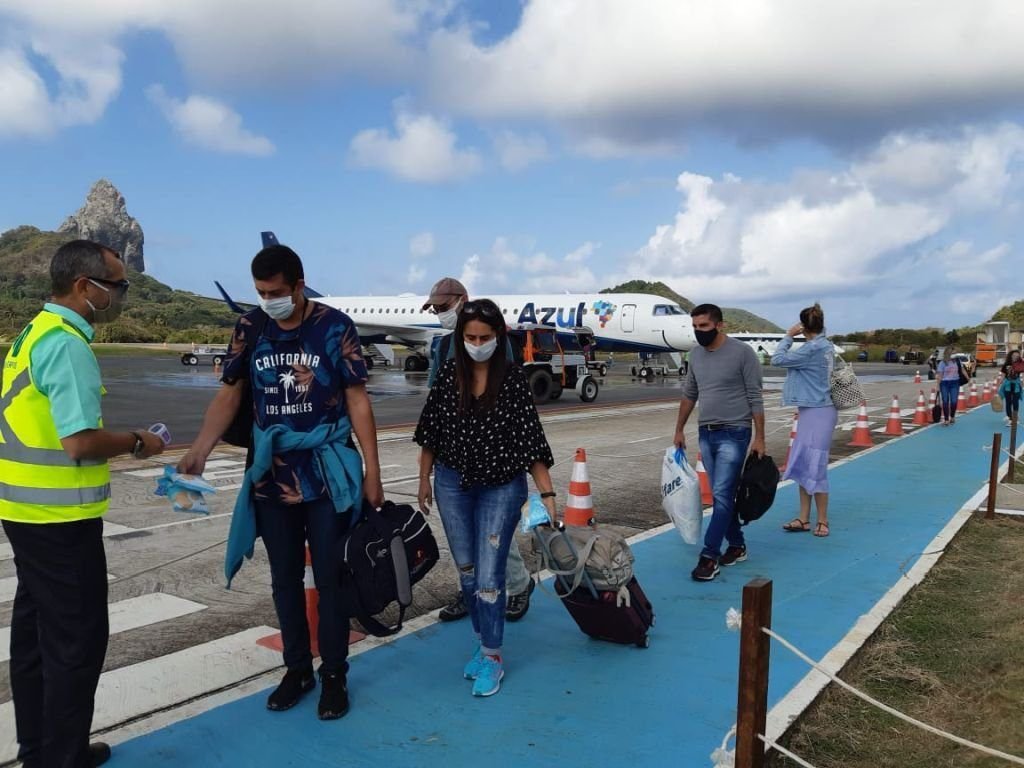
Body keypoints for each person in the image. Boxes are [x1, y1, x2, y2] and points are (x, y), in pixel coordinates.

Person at [179, 243, 383, 721]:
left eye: (275, 292)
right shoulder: (252, 327)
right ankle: (297, 669)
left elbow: (357, 400)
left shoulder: (335, 327)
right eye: (260, 292)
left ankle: (334, 673)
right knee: (284, 579)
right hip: (272, 475)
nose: (268, 300)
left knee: (331, 579)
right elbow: (230, 394)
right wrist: (199, 450)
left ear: (298, 284)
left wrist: (372, 470)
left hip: (328, 472)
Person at [0, 240, 165, 768]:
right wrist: (138, 440)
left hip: (25, 513)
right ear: (83, 286)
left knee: (34, 638)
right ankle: (61, 759)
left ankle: (41, 749)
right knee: (76, 644)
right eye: (115, 285)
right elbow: (80, 443)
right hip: (59, 519)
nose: (120, 294)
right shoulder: (68, 343)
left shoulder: (32, 333)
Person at [414, 298, 556, 697]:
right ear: (460, 338)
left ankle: (492, 655)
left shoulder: (512, 380)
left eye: (485, 337)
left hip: (501, 485)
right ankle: (481, 640)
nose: (478, 343)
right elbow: (430, 431)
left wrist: (547, 493)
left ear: (499, 337)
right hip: (451, 482)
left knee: (491, 576)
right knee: (468, 571)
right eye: (470, 336)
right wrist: (424, 478)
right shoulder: (447, 375)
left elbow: (531, 440)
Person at [422, 278, 535, 623]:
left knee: (492, 532)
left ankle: (516, 586)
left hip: (493, 456)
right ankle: (469, 588)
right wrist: (427, 467)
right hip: (453, 459)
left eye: (444, 307)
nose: (441, 313)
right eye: (436, 309)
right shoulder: (442, 347)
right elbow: (434, 402)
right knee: (462, 536)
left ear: (462, 300)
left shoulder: (498, 348)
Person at [673, 303, 765, 582]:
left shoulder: (742, 353)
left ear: (719, 324)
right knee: (720, 495)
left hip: (735, 432)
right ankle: (736, 546)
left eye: (704, 326)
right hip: (707, 432)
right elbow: (690, 392)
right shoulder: (696, 355)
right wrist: (678, 429)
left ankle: (709, 556)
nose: (699, 332)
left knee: (723, 494)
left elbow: (755, 396)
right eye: (695, 327)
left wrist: (760, 437)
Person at [771, 304, 837, 538]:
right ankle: (804, 518)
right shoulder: (825, 345)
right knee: (802, 464)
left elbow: (777, 360)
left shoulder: (811, 350)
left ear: (803, 326)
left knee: (816, 465)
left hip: (818, 410)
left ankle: (821, 520)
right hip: (814, 408)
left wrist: (788, 337)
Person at [935, 348, 962, 425]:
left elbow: (962, 370)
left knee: (954, 401)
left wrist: (968, 379)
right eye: (953, 353)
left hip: (955, 382)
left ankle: (952, 416)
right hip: (944, 383)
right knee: (945, 401)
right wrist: (937, 386)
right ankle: (946, 419)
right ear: (948, 354)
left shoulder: (957, 361)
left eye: (955, 353)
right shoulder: (942, 363)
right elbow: (940, 375)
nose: (954, 355)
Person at [999, 349, 1023, 427]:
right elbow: (1003, 374)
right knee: (1008, 402)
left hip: (1016, 384)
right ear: (1011, 356)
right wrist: (1000, 382)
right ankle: (1010, 418)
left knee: (1015, 402)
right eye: (1014, 355)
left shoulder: (1021, 363)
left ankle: (1015, 418)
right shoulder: (1006, 364)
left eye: (1017, 355)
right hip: (1007, 384)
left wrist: (1022, 382)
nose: (1015, 357)